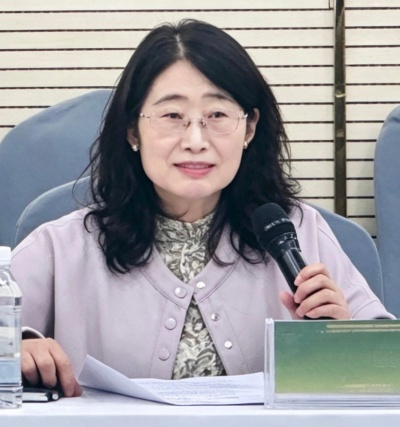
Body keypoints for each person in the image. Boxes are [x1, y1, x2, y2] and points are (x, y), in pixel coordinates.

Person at [11, 19, 393, 398]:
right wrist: (18, 350)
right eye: (172, 116)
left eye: (217, 115)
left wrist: (341, 341)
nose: (195, 140)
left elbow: (387, 369)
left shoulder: (298, 231)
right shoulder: (61, 246)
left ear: (249, 128)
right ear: (131, 130)